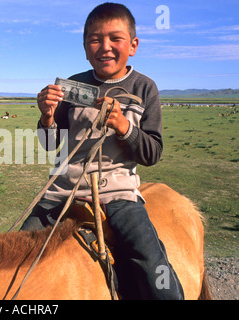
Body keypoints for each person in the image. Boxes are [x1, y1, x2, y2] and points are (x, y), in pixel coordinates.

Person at [20, 2, 184, 300]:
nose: (105, 47)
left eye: (115, 38)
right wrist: (46, 116)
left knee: (153, 268)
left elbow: (152, 153)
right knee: (13, 257)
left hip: (118, 194)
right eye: (95, 39)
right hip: (60, 191)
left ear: (133, 45)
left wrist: (123, 126)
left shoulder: (145, 88)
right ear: (85, 48)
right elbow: (48, 145)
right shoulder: (72, 87)